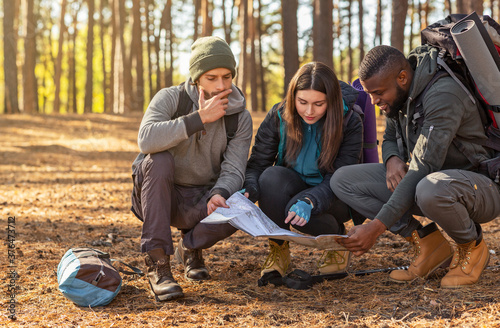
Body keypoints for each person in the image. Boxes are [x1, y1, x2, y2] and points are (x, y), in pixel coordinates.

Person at [331, 45, 500, 288]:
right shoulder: (402, 93)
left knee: (429, 188)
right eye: (369, 93)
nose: (373, 100)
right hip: (433, 183)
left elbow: (423, 167)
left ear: (402, 77)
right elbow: (390, 136)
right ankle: (430, 246)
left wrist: (376, 228)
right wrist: (391, 160)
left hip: (480, 187)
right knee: (344, 180)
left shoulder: (443, 95)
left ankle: (472, 246)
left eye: (377, 92)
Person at [130, 36, 253, 301]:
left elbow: (234, 167)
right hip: (159, 194)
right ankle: (158, 265)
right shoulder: (170, 99)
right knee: (158, 159)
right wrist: (198, 119)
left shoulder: (240, 117)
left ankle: (189, 247)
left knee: (241, 200)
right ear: (196, 78)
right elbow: (146, 139)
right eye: (211, 78)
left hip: (202, 199)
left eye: (227, 76)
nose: (221, 86)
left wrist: (220, 192)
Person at [243, 62, 364, 278]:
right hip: (293, 184)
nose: (309, 111)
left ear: (332, 101)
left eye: (319, 104)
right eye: (302, 102)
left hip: (335, 194)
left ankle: (336, 240)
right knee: (269, 178)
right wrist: (250, 188)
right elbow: (258, 164)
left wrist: (310, 201)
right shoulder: (278, 116)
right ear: (293, 98)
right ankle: (279, 248)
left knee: (305, 209)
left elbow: (341, 175)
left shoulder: (349, 122)